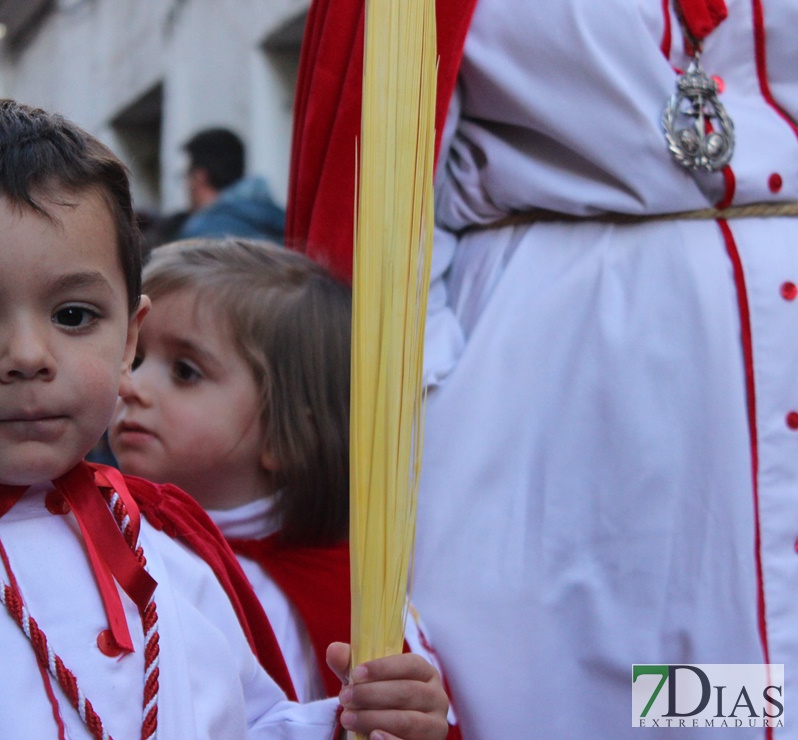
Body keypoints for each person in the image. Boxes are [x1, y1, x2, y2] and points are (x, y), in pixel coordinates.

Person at [0, 98, 449, 739]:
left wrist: (355, 721)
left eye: (73, 315)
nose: (29, 356)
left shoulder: (172, 558)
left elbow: (244, 723)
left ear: (129, 337)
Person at [287, 1, 798, 737]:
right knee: (611, 703)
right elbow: (373, 194)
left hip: (767, 377)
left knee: (746, 697)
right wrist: (414, 410)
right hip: (553, 420)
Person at [109, 237, 459, 727]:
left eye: (185, 371)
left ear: (284, 430)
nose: (129, 385)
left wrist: (409, 714)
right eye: (135, 356)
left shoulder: (357, 599)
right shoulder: (89, 533)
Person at [178, 127, 287, 243]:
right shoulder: (279, 218)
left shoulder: (202, 233)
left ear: (200, 176)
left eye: (185, 176)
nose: (185, 186)